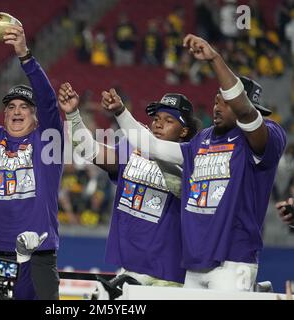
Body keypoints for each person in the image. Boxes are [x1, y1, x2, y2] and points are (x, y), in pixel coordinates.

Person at [104, 34, 287, 291]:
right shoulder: (202, 139)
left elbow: (245, 111)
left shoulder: (266, 136)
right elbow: (153, 146)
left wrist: (214, 59)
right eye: (216, 100)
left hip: (232, 260)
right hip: (195, 261)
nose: (217, 106)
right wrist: (121, 113)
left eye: (226, 101)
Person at [58, 82, 200, 296]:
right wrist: (73, 115)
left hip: (167, 274)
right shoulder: (133, 145)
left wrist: (144, 141)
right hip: (130, 265)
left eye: (168, 121)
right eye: (156, 119)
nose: (158, 125)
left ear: (184, 131)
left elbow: (179, 183)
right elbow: (90, 150)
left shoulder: (191, 158)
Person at [0, 24, 63, 300]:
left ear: (36, 117)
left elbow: (49, 103)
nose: (16, 111)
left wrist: (25, 56)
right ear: (4, 114)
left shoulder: (48, 141)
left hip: (38, 255)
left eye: (24, 107)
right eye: (10, 107)